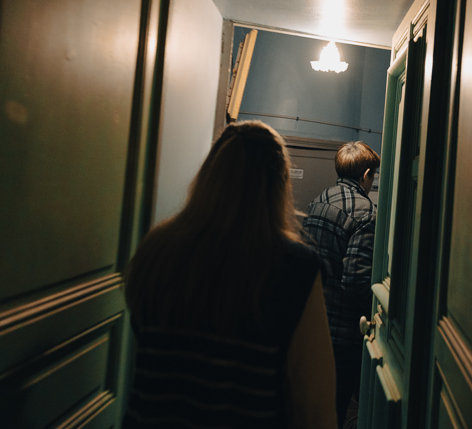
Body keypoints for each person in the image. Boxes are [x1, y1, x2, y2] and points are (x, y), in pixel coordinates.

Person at [123, 120, 337, 429]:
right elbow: (315, 408)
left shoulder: (155, 249)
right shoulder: (293, 268)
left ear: (209, 173)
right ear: (278, 184)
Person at [302, 141, 380, 428]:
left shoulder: (319, 200)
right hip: (343, 335)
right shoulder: (365, 212)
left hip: (312, 324)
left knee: (311, 408)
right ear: (366, 174)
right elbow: (357, 279)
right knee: (335, 411)